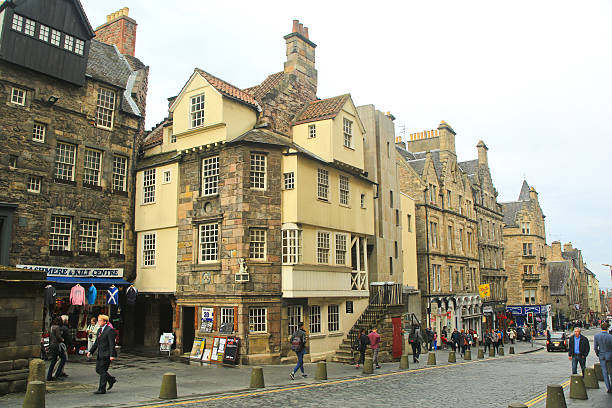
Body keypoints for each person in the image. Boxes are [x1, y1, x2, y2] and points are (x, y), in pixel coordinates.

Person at [87, 314, 117, 394]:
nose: (98, 322)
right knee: (98, 369)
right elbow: (97, 342)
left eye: (100, 320)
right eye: (98, 320)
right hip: (100, 353)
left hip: (107, 353)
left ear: (105, 321)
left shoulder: (109, 330)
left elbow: (111, 343)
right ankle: (111, 379)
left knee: (103, 370)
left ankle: (101, 389)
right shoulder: (99, 330)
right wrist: (91, 351)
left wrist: (112, 355)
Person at [594, 322, 612, 393]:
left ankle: (608, 387)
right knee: (611, 372)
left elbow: (595, 347)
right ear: (607, 328)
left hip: (602, 355)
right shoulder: (610, 336)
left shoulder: (597, 336)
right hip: (610, 355)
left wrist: (598, 353)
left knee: (604, 372)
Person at [46, 317, 66, 381]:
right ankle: (57, 374)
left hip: (51, 345)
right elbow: (58, 336)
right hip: (56, 345)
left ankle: (49, 376)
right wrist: (62, 339)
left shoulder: (51, 327)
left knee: (53, 360)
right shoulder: (57, 327)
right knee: (63, 358)